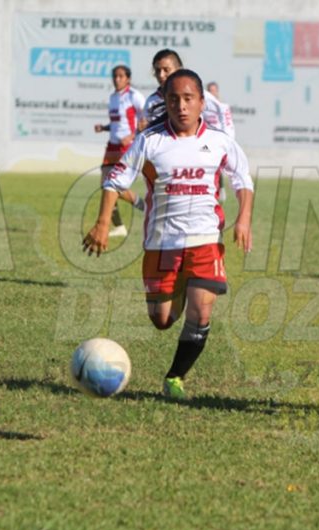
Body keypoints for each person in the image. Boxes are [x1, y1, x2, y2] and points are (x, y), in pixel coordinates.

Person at [84, 69, 254, 400]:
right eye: (174, 99)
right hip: (161, 245)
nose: (182, 106)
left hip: (206, 241)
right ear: (166, 101)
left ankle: (175, 377)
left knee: (201, 313)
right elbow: (114, 181)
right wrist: (103, 223)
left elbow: (243, 179)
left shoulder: (219, 141)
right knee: (161, 320)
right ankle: (178, 288)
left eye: (189, 98)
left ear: (202, 102)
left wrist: (244, 217)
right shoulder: (149, 141)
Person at [92, 65, 147, 238]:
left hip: (126, 147)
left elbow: (146, 120)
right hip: (112, 145)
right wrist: (104, 127)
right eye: (115, 76)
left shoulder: (134, 96)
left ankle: (145, 207)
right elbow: (117, 123)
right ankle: (120, 226)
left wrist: (132, 136)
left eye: (121, 76)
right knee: (105, 184)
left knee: (114, 184)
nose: (117, 79)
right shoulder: (113, 98)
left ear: (128, 79)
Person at [139, 50, 235, 140]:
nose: (161, 75)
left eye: (166, 70)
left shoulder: (198, 95)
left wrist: (225, 143)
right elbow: (147, 131)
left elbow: (223, 116)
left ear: (179, 69)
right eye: (157, 70)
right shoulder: (152, 101)